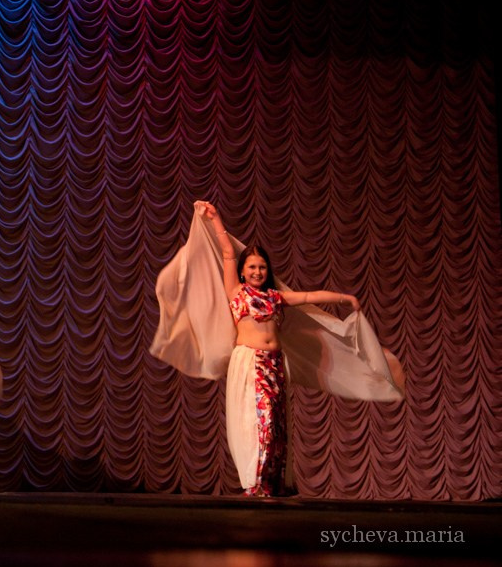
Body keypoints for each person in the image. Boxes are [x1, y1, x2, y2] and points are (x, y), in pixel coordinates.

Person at [150, 201, 404, 497]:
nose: (257, 271)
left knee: (278, 425)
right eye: (252, 267)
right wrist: (216, 218)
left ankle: (270, 483)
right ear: (243, 272)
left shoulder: (275, 297)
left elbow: (309, 295)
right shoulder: (237, 293)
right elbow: (228, 253)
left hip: (274, 364)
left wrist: (344, 297)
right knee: (262, 421)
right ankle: (255, 482)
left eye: (261, 267)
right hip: (251, 363)